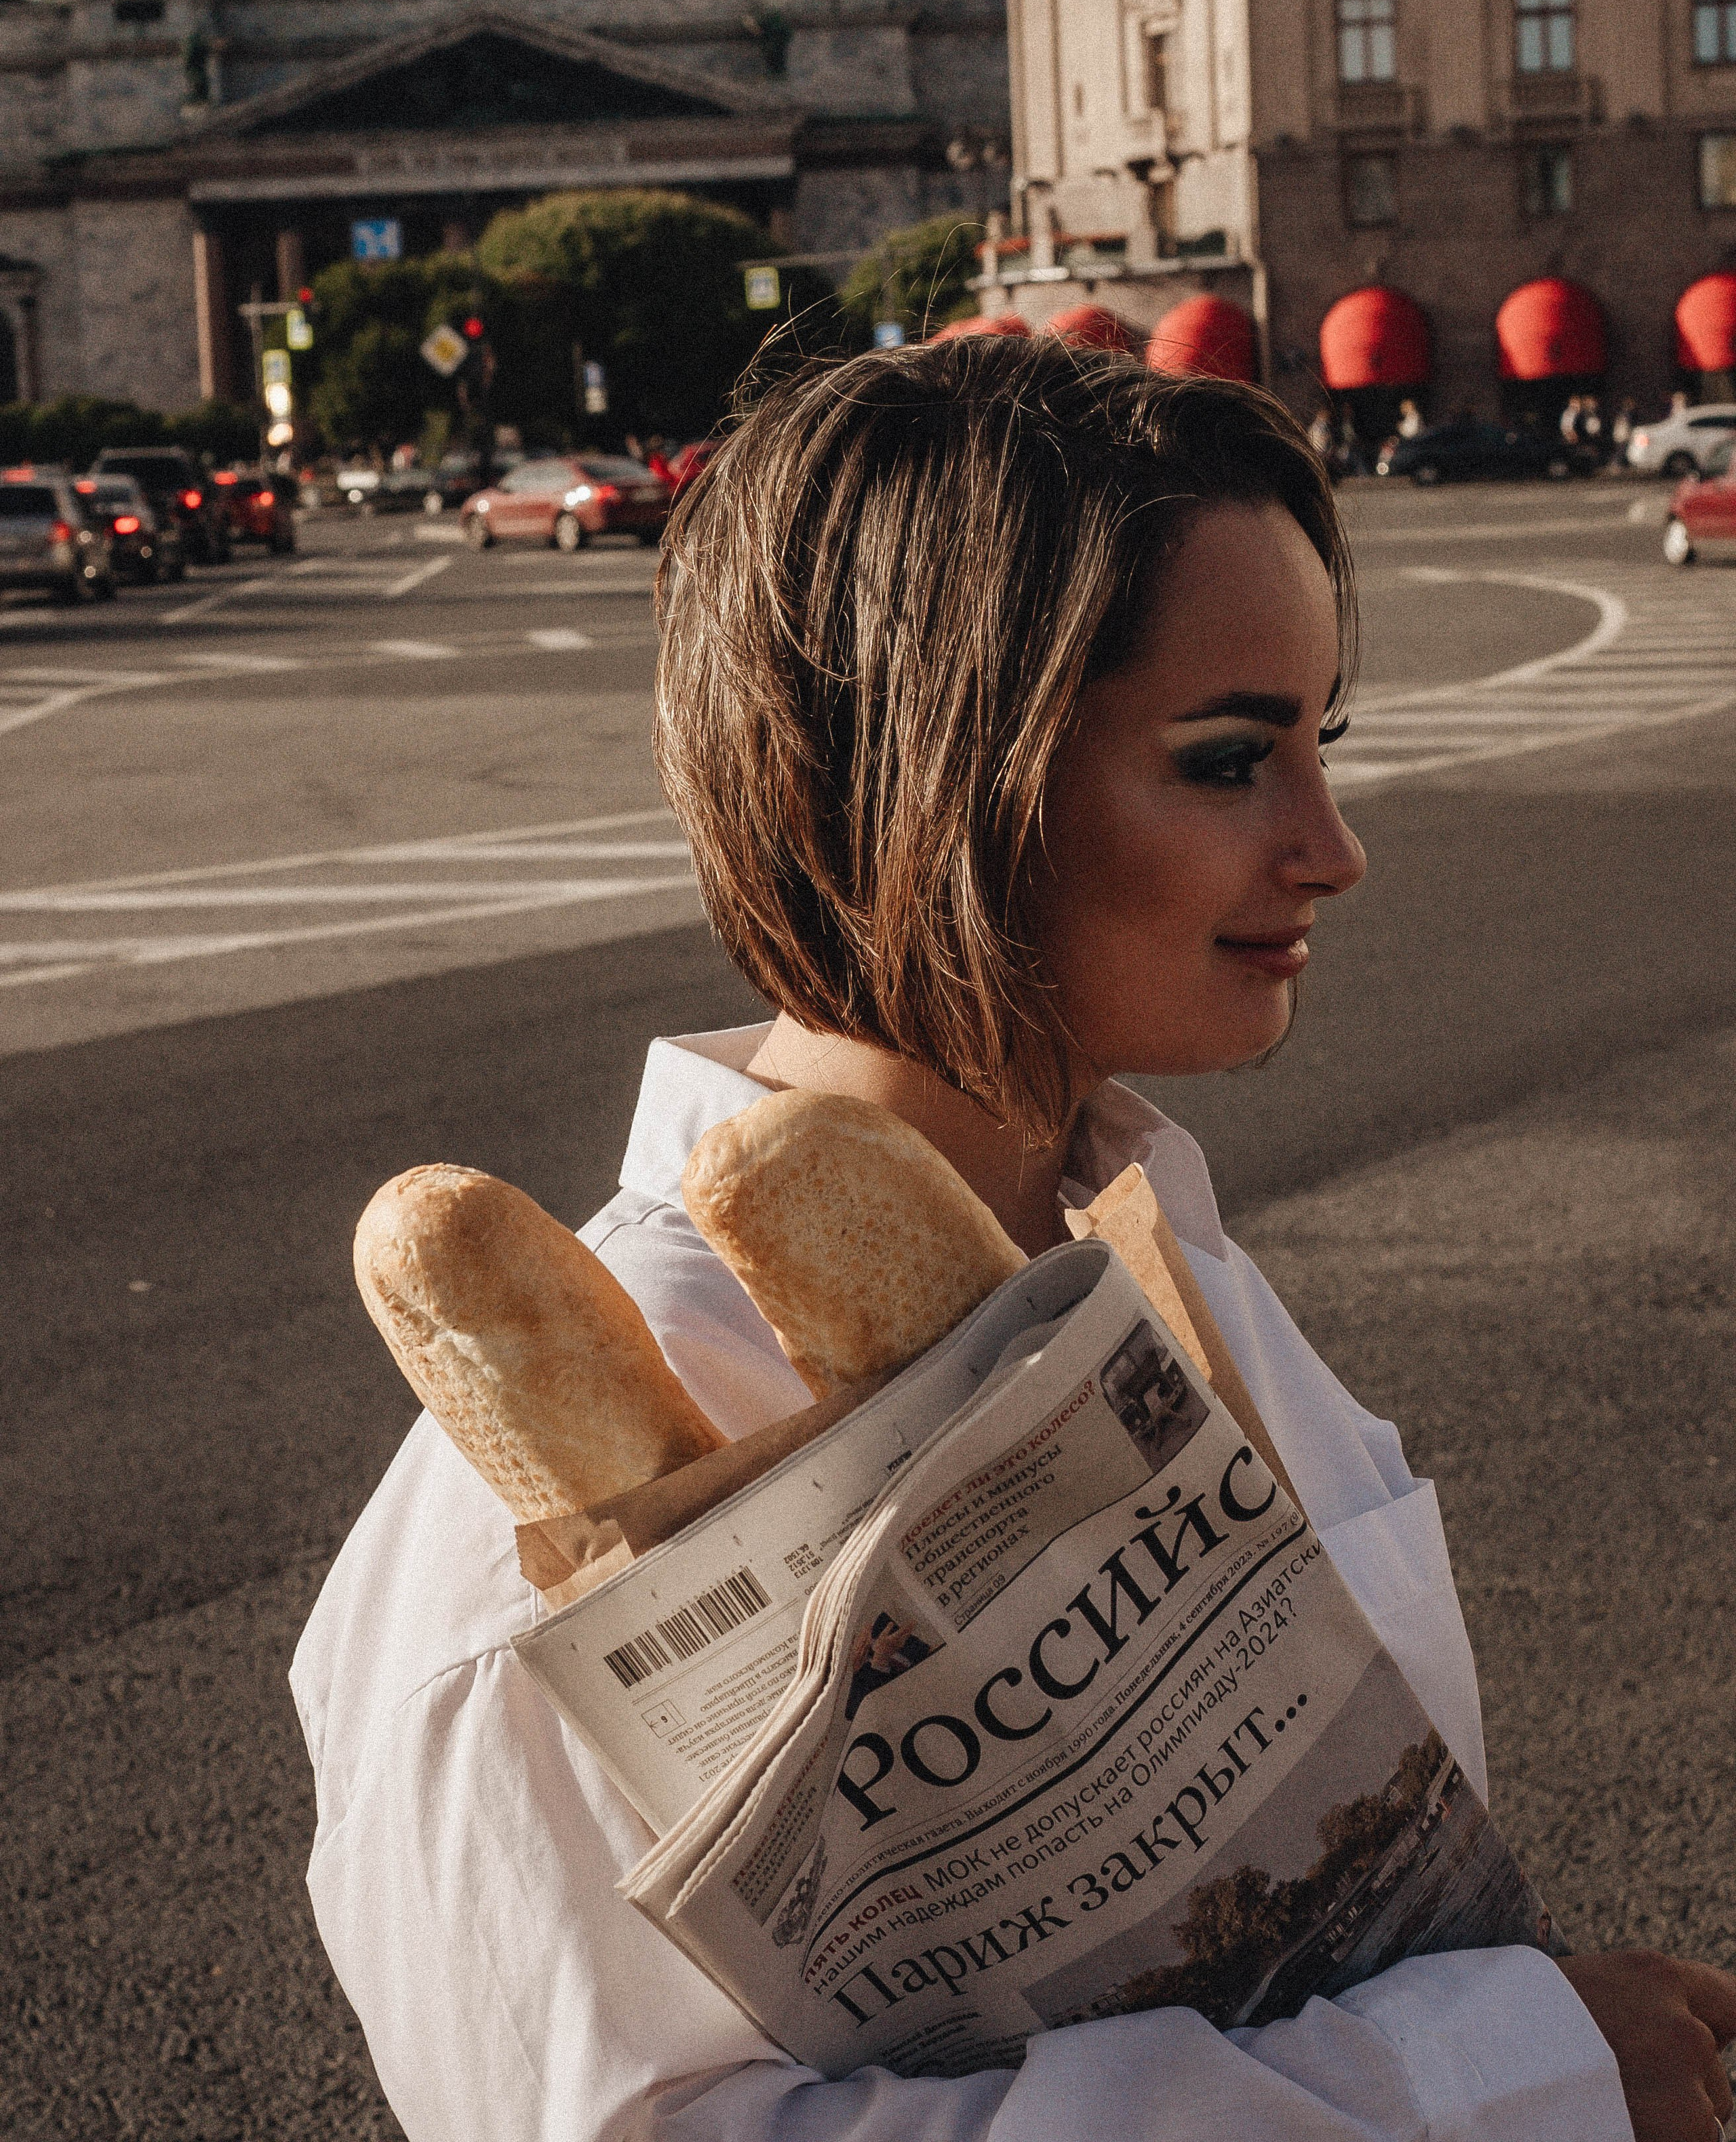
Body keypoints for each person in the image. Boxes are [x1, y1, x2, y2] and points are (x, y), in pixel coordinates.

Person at [292, 339, 1736, 2142]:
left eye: (1322, 745)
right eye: (1229, 761)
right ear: (936, 779)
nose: (1334, 847)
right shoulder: (536, 1502)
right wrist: (1482, 2075)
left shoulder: (1153, 1246)